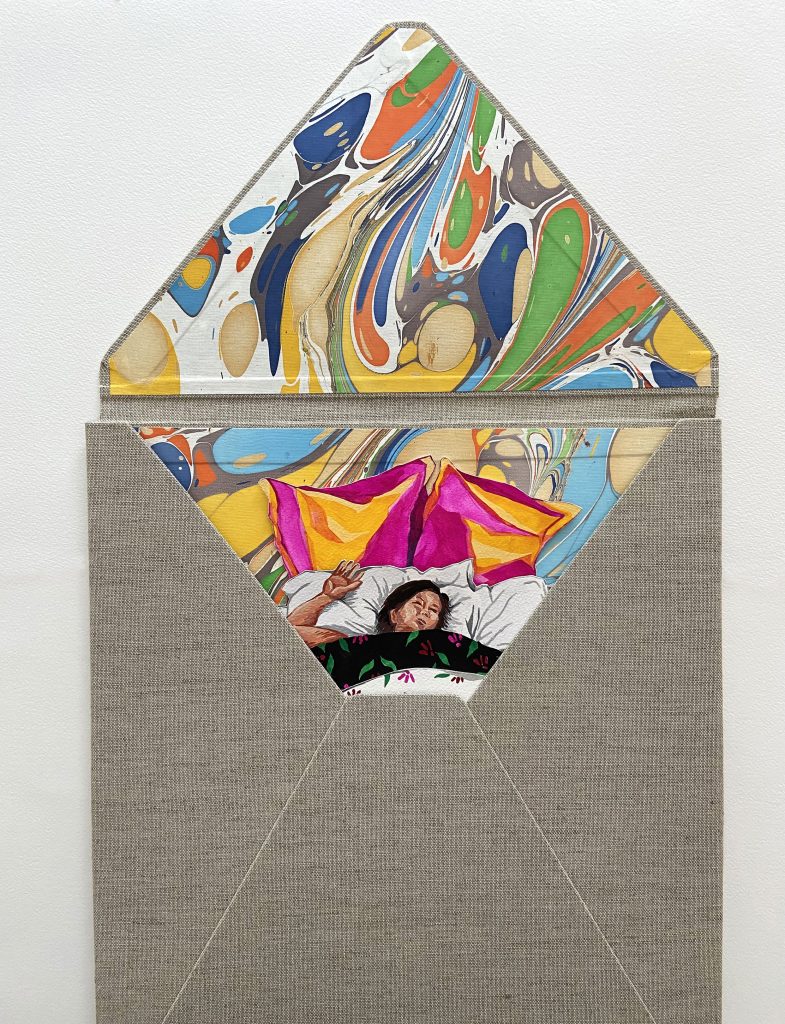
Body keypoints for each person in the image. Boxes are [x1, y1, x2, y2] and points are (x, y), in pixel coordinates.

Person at [286, 559, 449, 647]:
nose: (425, 612)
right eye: (418, 604)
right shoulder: (355, 645)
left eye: (434, 610)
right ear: (393, 615)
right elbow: (286, 635)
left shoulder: (449, 648)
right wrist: (326, 597)